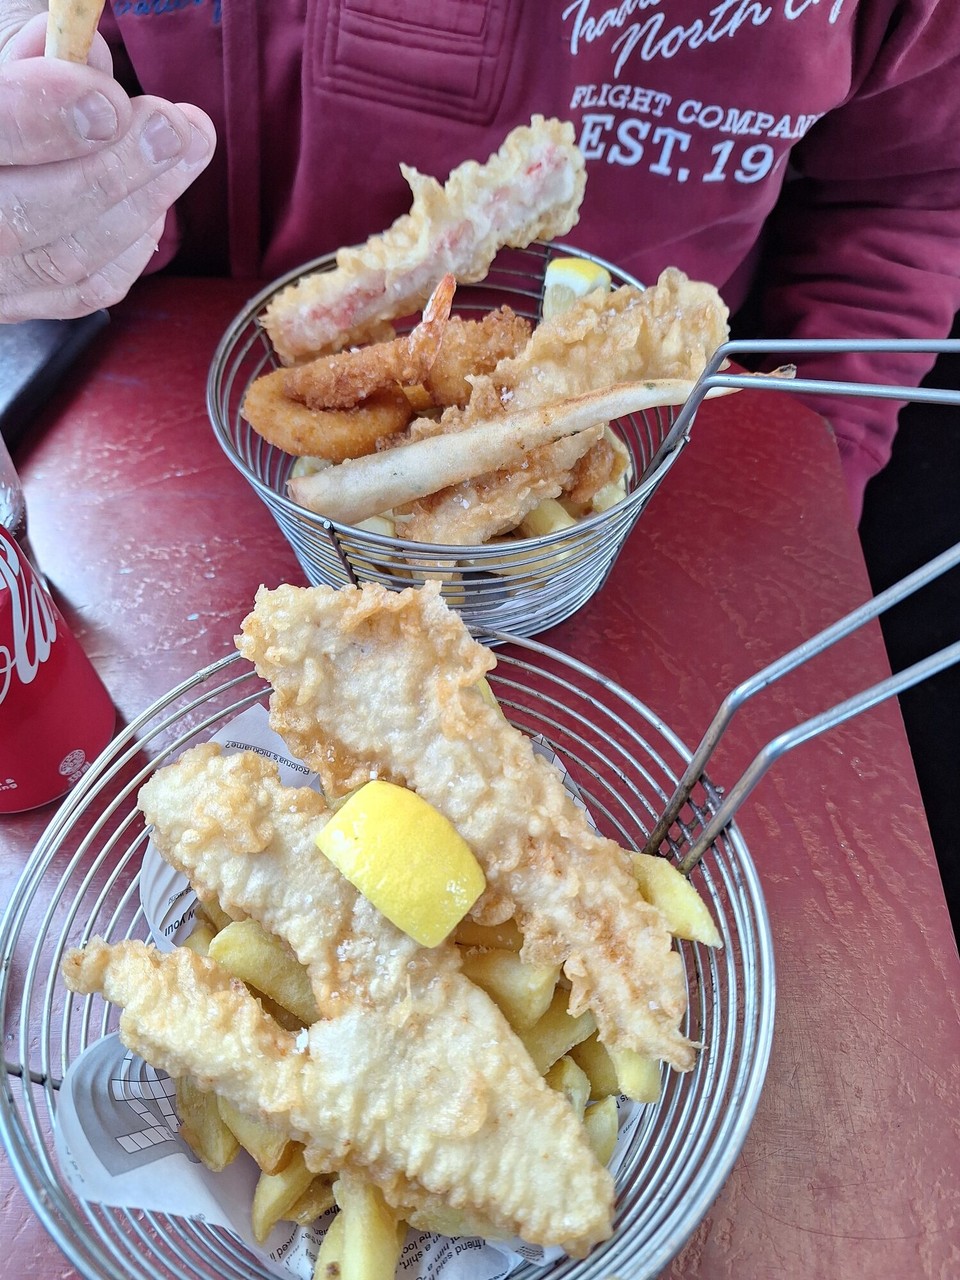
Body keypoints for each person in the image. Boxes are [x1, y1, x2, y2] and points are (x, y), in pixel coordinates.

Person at [1, 1, 959, 520]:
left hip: (673, 484)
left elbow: (906, 192)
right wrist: (68, 186)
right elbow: (93, 68)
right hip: (166, 464)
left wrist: (810, 468)